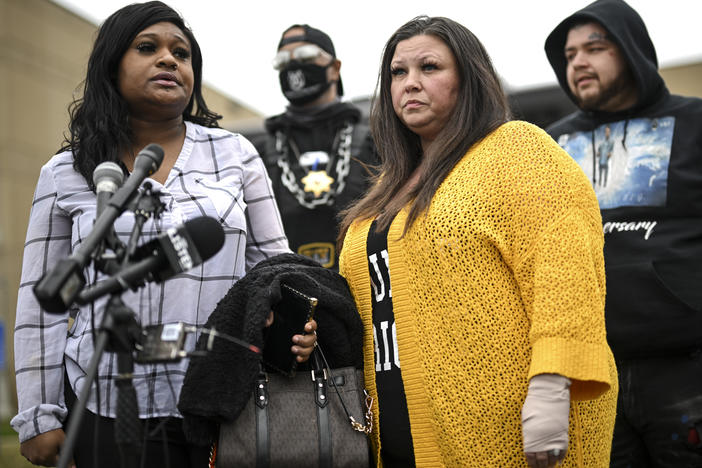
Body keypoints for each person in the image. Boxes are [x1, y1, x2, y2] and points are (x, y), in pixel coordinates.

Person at [11, 2, 316, 467]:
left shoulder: (236, 154)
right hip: (107, 405)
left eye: (183, 53)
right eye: (148, 48)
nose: (170, 60)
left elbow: (276, 266)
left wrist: (297, 321)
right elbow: (40, 302)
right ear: (112, 65)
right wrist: (39, 415)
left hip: (221, 399)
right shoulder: (65, 172)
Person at [337, 15, 617, 468]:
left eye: (429, 67)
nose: (410, 83)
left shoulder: (516, 149)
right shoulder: (387, 188)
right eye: (397, 72)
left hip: (512, 430)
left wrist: (552, 385)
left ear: (469, 78)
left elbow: (565, 270)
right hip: (397, 430)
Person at [544, 0, 702, 465]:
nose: (579, 62)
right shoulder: (550, 145)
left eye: (595, 48)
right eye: (569, 55)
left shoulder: (695, 122)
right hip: (589, 375)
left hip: (686, 367)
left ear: (632, 50)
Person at [252, 24, 378, 271]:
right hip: (286, 291)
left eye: (305, 56)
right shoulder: (257, 154)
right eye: (283, 61)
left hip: (359, 291)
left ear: (335, 69)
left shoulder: (375, 143)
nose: (293, 67)